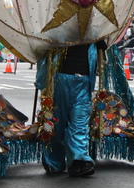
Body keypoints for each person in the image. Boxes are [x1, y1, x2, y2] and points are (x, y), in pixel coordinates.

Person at [35, 40, 106, 177]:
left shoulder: (94, 35)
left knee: (79, 123)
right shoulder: (60, 33)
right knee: (57, 122)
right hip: (59, 81)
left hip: (83, 83)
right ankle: (54, 161)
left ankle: (78, 161)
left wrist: (101, 44)